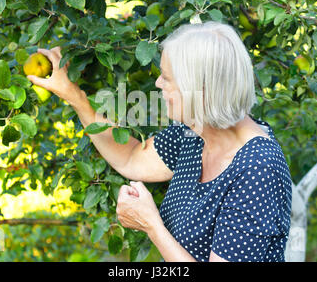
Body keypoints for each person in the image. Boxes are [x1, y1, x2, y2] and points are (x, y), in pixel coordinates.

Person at [27, 21, 292, 262]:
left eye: (166, 78)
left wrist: (151, 224)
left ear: (199, 91)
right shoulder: (195, 134)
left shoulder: (258, 168)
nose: (157, 83)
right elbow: (131, 157)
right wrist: (74, 96)